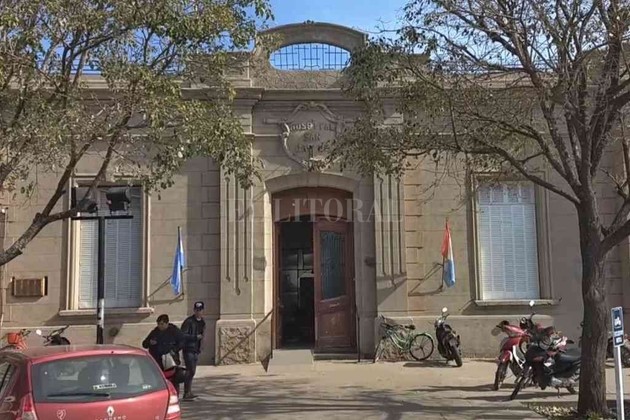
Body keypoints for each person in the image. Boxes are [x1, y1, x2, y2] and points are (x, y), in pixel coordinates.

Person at [142, 314, 185, 391]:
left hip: (170, 360)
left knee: (173, 380)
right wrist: (150, 342)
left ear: (167, 323)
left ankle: (174, 393)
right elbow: (144, 344)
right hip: (157, 360)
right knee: (159, 380)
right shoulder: (155, 332)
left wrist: (174, 350)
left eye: (162, 324)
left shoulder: (174, 331)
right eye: (158, 324)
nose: (160, 326)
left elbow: (182, 342)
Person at [180, 301, 206, 401]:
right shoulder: (189, 321)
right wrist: (195, 337)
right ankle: (186, 392)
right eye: (196, 310)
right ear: (194, 310)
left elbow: (202, 335)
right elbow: (183, 335)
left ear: (203, 311)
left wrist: (201, 345)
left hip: (196, 349)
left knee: (192, 371)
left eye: (200, 310)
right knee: (190, 370)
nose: (198, 312)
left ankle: (188, 392)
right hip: (188, 349)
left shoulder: (202, 322)